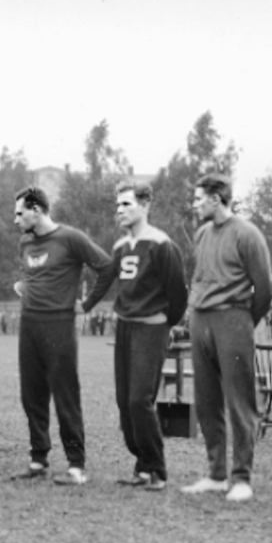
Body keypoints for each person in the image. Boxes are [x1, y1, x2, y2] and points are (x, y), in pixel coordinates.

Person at [82, 182, 188, 490]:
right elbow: (109, 280)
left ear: (145, 206)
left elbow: (178, 292)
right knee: (124, 401)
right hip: (125, 327)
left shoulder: (162, 244)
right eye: (117, 206)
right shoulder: (119, 247)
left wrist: (166, 324)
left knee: (140, 399)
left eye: (126, 205)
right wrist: (85, 305)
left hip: (151, 327)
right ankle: (142, 466)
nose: (120, 211)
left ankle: (158, 469)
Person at [10, 186, 114, 486]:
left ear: (37, 210)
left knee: (65, 395)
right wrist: (26, 288)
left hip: (59, 327)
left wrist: (87, 304)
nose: (16, 219)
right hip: (29, 326)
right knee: (32, 395)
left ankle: (76, 467)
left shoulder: (71, 238)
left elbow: (106, 266)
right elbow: (35, 276)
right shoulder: (25, 242)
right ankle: (38, 460)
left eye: (20, 213)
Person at [180, 173, 272, 503]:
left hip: (234, 320)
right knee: (206, 401)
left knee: (239, 401)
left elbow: (265, 288)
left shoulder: (247, 234)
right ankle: (216, 474)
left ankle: (242, 478)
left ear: (216, 200)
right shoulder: (203, 233)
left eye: (198, 198)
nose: (194, 205)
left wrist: (244, 320)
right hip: (201, 320)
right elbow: (200, 277)